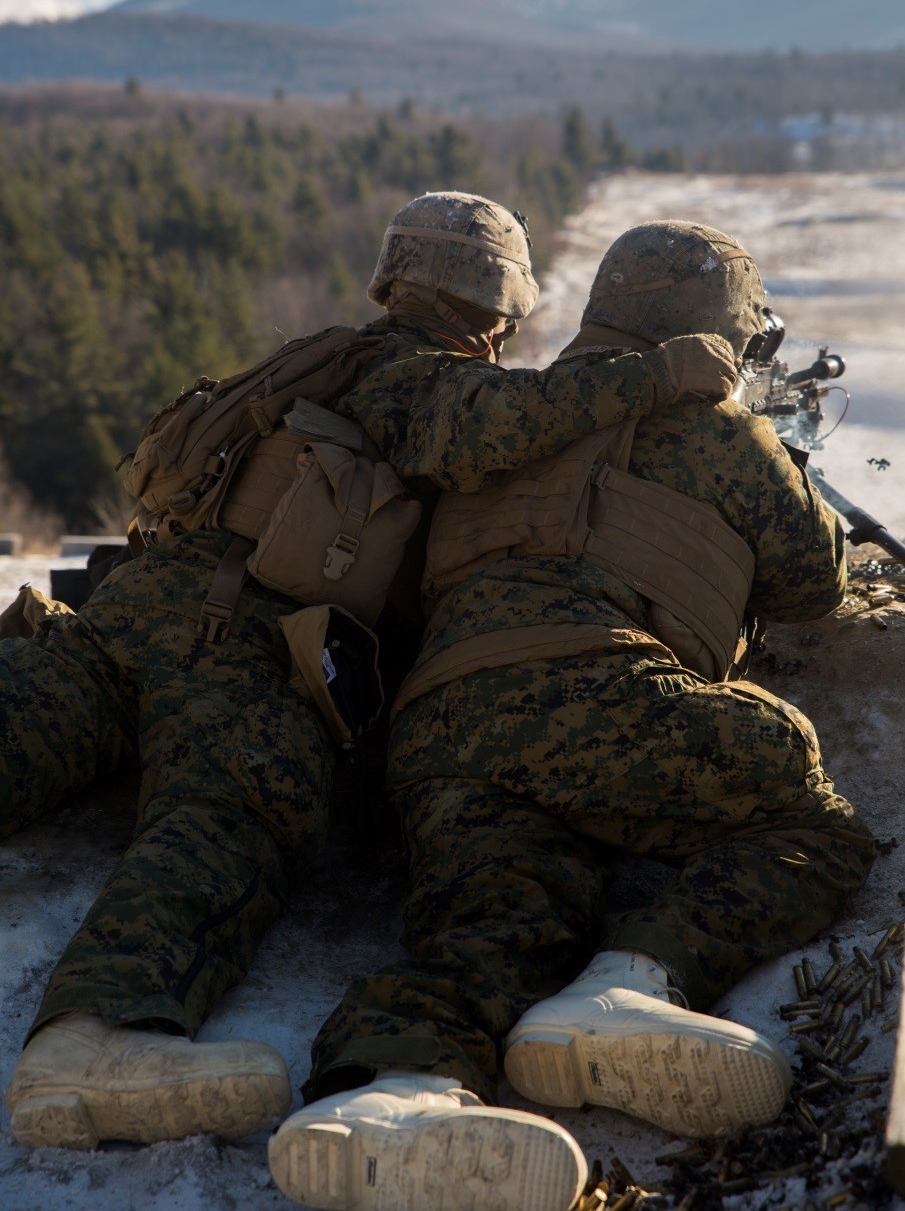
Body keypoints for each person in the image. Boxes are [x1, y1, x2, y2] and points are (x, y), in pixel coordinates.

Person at [2, 195, 736, 1161]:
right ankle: (93, 1037)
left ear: (396, 276)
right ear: (498, 309)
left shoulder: (313, 359)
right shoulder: (412, 379)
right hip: (238, 648)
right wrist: (659, 375)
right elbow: (483, 427)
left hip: (121, 611)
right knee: (234, 816)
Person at [272, 221, 877, 1211]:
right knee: (807, 811)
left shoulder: (512, 407)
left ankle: (392, 1090)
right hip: (601, 690)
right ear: (718, 328)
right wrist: (776, 440)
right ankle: (628, 981)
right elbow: (813, 577)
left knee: (494, 912)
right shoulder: (714, 426)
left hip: (439, 728)